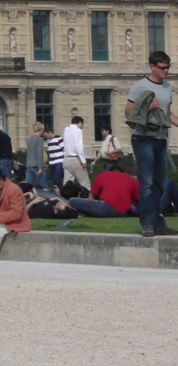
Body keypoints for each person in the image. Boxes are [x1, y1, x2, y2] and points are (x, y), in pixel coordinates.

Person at [125, 50, 178, 237]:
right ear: (152, 66)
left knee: (159, 183)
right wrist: (149, 108)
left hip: (161, 138)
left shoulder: (167, 87)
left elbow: (167, 113)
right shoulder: (140, 86)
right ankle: (148, 223)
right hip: (143, 138)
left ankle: (158, 221)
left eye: (168, 67)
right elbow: (129, 113)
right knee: (146, 183)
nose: (166, 71)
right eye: (163, 67)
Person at [67, 159, 139, 218]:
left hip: (107, 207)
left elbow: (91, 197)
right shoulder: (131, 178)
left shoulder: (103, 175)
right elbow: (138, 198)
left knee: (72, 201)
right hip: (124, 212)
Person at [61, 115, 90, 190]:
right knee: (85, 183)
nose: (82, 126)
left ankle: (65, 198)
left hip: (66, 158)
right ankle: (87, 199)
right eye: (82, 124)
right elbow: (78, 146)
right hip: (75, 158)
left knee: (67, 183)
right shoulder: (78, 131)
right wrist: (83, 160)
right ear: (79, 122)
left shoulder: (66, 129)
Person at [24, 122, 47, 188]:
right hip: (36, 165)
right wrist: (40, 167)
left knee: (28, 186)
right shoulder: (40, 139)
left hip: (29, 165)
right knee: (43, 186)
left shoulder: (29, 139)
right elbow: (39, 154)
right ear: (40, 130)